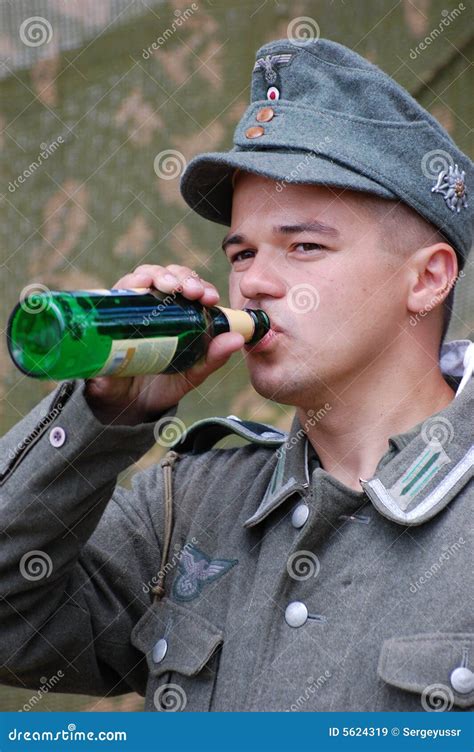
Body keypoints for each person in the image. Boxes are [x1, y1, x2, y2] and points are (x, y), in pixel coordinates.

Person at [1, 38, 472, 713]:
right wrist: (105, 416)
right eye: (241, 251)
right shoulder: (188, 509)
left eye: (305, 246)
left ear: (426, 279)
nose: (253, 281)